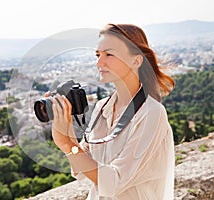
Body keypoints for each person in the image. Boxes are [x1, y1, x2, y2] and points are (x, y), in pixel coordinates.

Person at [49, 24, 175, 200]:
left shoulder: (151, 113)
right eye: (98, 55)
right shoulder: (102, 108)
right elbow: (82, 168)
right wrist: (66, 130)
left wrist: (66, 144)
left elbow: (114, 182)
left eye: (109, 54)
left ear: (136, 61)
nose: (99, 62)